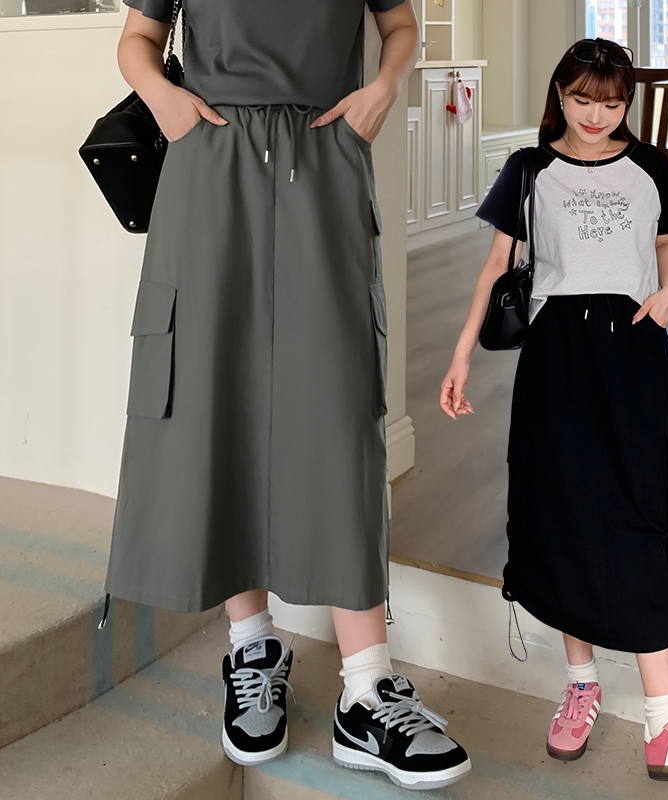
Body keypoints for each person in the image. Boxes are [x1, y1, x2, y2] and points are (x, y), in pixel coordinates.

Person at [102, 0, 471, 790]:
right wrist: (166, 104)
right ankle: (252, 649)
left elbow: (402, 24)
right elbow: (137, 40)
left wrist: (383, 88)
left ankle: (366, 689)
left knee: (338, 411)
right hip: (210, 162)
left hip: (324, 154)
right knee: (219, 391)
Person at [440, 38, 668, 783]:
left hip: (633, 348)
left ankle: (664, 722)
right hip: (556, 356)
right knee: (560, 509)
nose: (595, 115)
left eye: (611, 103)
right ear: (560, 94)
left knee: (641, 510)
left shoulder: (648, 166)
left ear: (627, 103)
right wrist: (460, 355)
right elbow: (496, 267)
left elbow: (667, 238)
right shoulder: (528, 168)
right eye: (582, 99)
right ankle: (580, 686)